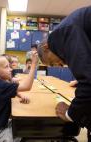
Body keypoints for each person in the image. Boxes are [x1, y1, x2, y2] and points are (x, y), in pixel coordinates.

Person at [37, 6, 91, 141]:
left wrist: (70, 113)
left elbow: (89, 83)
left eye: (52, 63)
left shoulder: (59, 36)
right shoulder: (70, 27)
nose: (60, 65)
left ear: (46, 47)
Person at [0, 52, 38, 142]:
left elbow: (11, 86)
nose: (10, 69)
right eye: (6, 67)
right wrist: (34, 65)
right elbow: (27, 86)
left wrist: (19, 95)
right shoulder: (1, 86)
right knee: (24, 130)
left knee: (22, 126)